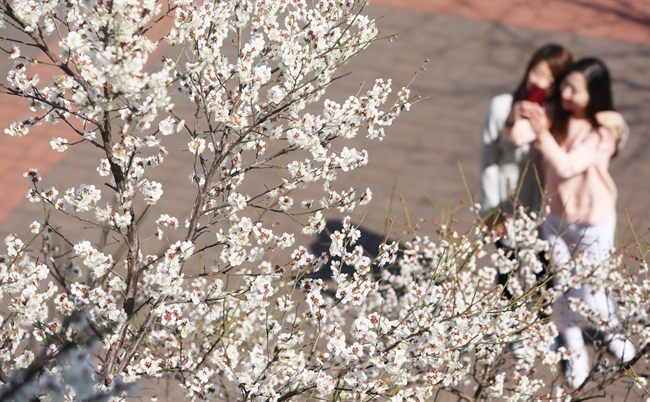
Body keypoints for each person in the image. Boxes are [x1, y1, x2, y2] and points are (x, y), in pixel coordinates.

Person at [506, 57, 636, 390]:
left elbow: (568, 167)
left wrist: (542, 133)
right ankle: (574, 345)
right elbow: (515, 135)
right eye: (563, 85)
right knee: (561, 284)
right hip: (556, 218)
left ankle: (611, 329)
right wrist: (528, 108)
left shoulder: (604, 129)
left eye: (573, 89)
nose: (564, 93)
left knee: (593, 287)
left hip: (593, 220)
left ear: (594, 95)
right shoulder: (554, 114)